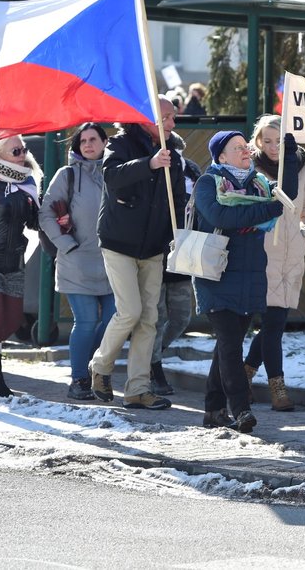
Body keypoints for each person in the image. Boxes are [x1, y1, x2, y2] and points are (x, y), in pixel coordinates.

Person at [193, 130, 298, 433]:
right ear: (220, 156)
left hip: (251, 274)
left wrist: (289, 158)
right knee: (229, 343)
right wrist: (265, 210)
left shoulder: (259, 183)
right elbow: (221, 217)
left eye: (245, 147)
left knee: (230, 344)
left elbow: (285, 199)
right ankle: (240, 409)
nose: (244, 151)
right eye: (236, 148)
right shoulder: (207, 183)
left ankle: (213, 409)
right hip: (216, 274)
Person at [88, 96, 187, 410]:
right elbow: (112, 177)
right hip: (119, 243)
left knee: (149, 319)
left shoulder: (175, 153)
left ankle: (137, 390)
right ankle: (100, 366)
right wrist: (150, 163)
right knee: (130, 311)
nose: (172, 124)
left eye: (172, 117)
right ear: (146, 116)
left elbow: (178, 202)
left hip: (154, 247)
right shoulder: (120, 143)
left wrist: (177, 237)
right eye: (167, 117)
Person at [244, 114, 305, 411]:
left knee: (274, 324)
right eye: (267, 141)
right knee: (273, 324)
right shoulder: (250, 169)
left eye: (278, 140)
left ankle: (243, 376)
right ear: (258, 141)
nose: (273, 147)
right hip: (263, 256)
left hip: (292, 256)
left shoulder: (301, 169)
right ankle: (278, 389)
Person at [39, 123, 116, 400]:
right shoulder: (67, 175)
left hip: (112, 261)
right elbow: (46, 214)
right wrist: (66, 246)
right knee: (85, 322)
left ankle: (94, 368)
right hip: (76, 261)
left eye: (93, 139)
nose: (87, 144)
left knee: (113, 320)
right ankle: (79, 379)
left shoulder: (116, 171)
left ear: (105, 142)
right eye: (82, 140)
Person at [0, 135, 42, 396]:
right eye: (16, 149)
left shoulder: (27, 182)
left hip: (14, 261)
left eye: (23, 149)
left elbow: (34, 223)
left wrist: (59, 219)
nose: (22, 153)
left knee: (13, 321)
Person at [149, 146, 202, 397]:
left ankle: (151, 356)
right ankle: (153, 367)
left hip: (183, 253)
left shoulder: (191, 169)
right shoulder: (154, 171)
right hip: (155, 254)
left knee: (181, 317)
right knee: (156, 319)